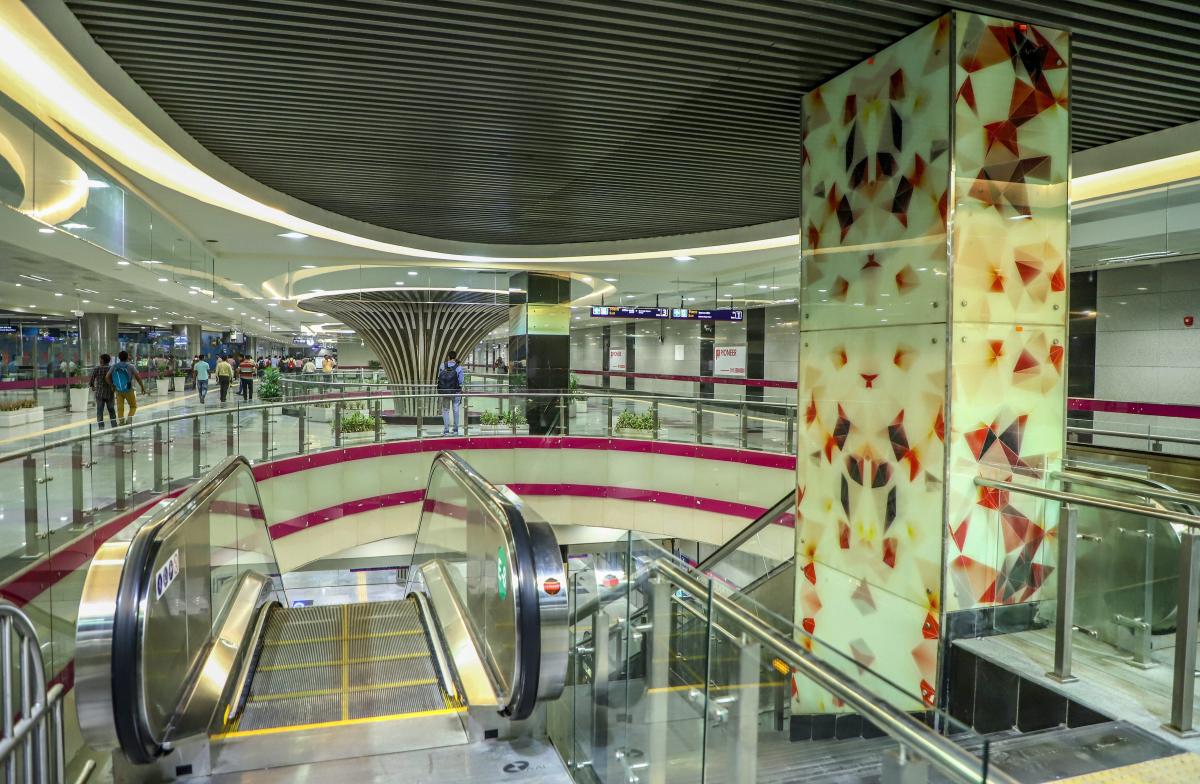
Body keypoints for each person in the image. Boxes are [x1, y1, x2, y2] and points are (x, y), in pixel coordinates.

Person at [106, 349, 146, 426]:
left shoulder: (114, 366)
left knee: (120, 408)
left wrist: (112, 385)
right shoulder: (130, 366)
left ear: (119, 357)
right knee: (133, 406)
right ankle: (129, 420)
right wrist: (142, 387)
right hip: (128, 389)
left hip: (118, 389)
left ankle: (121, 422)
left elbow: (107, 377)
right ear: (127, 357)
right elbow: (138, 378)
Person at [436, 349, 465, 435]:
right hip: (456, 391)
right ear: (455, 357)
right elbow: (461, 381)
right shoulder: (458, 367)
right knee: (455, 409)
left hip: (445, 391)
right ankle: (455, 430)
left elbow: (439, 378)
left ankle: (446, 430)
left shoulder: (442, 366)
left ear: (448, 357)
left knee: (445, 410)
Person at [88, 353, 117, 429]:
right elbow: (115, 380)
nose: (99, 359)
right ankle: (114, 425)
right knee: (111, 409)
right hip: (110, 392)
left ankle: (101, 426)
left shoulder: (97, 368)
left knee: (100, 410)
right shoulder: (111, 368)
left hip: (99, 393)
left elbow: (91, 380)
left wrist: (93, 386)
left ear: (102, 360)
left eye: (100, 358)